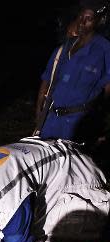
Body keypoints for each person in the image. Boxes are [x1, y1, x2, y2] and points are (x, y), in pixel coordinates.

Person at [36, 2, 110, 141]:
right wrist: (39, 114)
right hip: (51, 120)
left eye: (88, 18)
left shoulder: (104, 50)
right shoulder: (64, 47)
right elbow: (47, 78)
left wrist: (100, 121)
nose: (82, 22)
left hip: (77, 124)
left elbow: (107, 89)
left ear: (100, 20)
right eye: (80, 17)